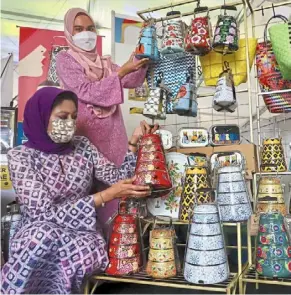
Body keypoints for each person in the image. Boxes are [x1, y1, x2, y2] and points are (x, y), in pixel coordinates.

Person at [1, 87, 153, 294]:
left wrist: (134, 143)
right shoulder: (21, 157)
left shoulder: (83, 146)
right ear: (41, 116)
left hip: (82, 232)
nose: (70, 123)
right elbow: (43, 214)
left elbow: (118, 179)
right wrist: (104, 196)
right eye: (62, 117)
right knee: (39, 239)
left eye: (74, 117)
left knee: (79, 255)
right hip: (38, 230)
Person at [56, 8, 150, 226]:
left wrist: (142, 48)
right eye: (78, 29)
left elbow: (133, 79)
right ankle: (89, 250)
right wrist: (120, 73)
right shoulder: (65, 59)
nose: (85, 34)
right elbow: (84, 91)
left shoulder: (105, 64)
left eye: (90, 29)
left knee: (116, 194)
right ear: (69, 33)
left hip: (112, 139)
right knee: (84, 194)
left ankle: (115, 249)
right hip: (83, 138)